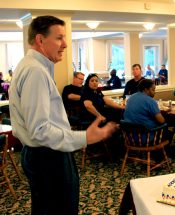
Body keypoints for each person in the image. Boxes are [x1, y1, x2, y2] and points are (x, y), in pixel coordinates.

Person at [9, 15, 118, 215]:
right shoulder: (36, 71)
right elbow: (39, 130)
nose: (66, 44)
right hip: (47, 157)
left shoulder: (31, 66)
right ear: (41, 40)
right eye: (59, 38)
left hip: (41, 155)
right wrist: (85, 136)